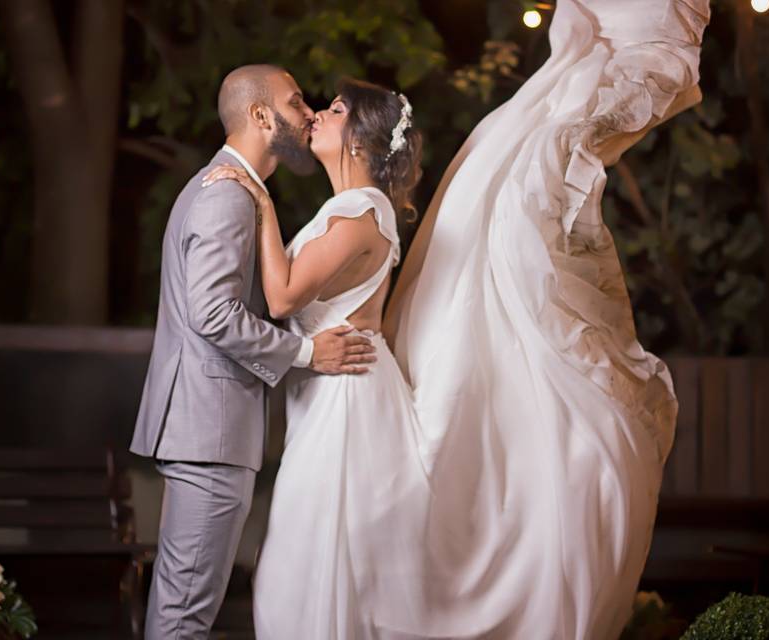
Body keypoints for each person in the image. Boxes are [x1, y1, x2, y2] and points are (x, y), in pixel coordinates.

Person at [204, 0, 710, 637]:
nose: (316, 116)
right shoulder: (345, 209)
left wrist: (256, 195)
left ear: (358, 138)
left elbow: (280, 298)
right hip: (328, 396)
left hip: (349, 404)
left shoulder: (362, 211)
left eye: (332, 110)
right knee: (311, 565)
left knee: (310, 566)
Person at [128, 64, 377, 640]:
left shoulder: (236, 190)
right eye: (295, 104)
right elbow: (212, 314)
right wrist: (308, 353)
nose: (309, 112)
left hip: (206, 430)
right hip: (208, 433)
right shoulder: (228, 197)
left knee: (183, 604)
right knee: (185, 613)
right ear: (262, 117)